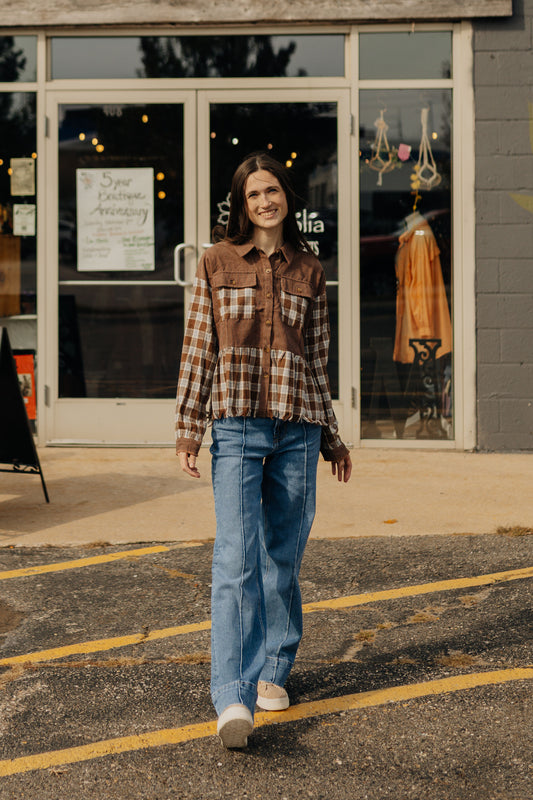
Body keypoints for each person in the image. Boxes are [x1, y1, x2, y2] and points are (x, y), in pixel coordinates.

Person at [175, 152, 352, 749]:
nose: (264, 202)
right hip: (239, 427)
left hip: (298, 430)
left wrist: (332, 435)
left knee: (283, 555)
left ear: (286, 196)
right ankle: (231, 694)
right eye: (253, 194)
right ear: (240, 203)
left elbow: (319, 362)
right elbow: (199, 346)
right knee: (235, 558)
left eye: (272, 190)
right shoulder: (216, 262)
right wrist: (189, 427)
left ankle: (274, 670)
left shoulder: (310, 270)